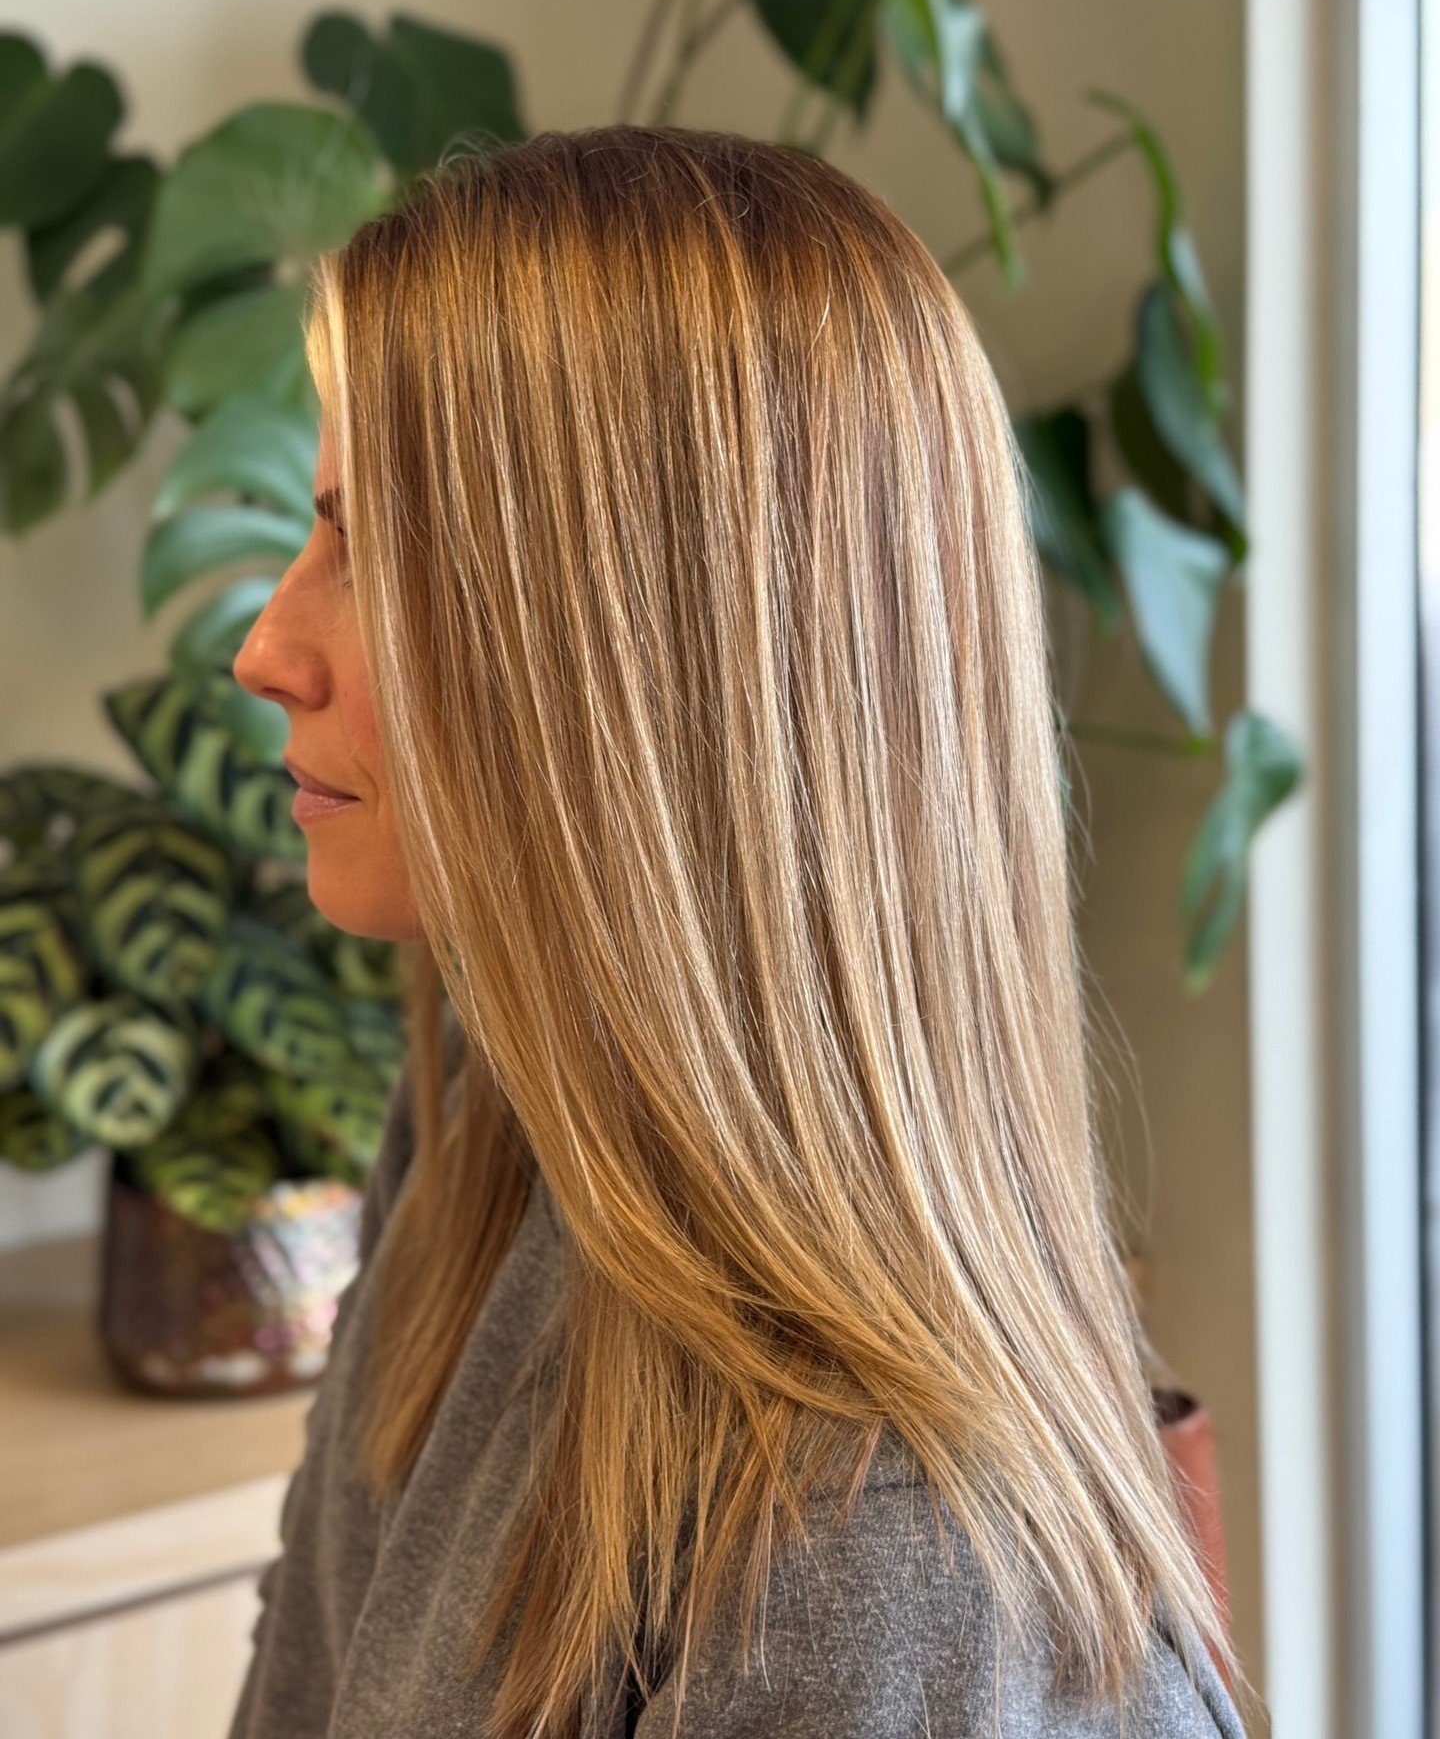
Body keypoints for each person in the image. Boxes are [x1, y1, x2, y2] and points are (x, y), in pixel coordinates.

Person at [228, 124, 1251, 1739]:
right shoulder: (485, 1142)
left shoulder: (888, 1572)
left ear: (632, 661)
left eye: (369, 551)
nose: (267, 647)